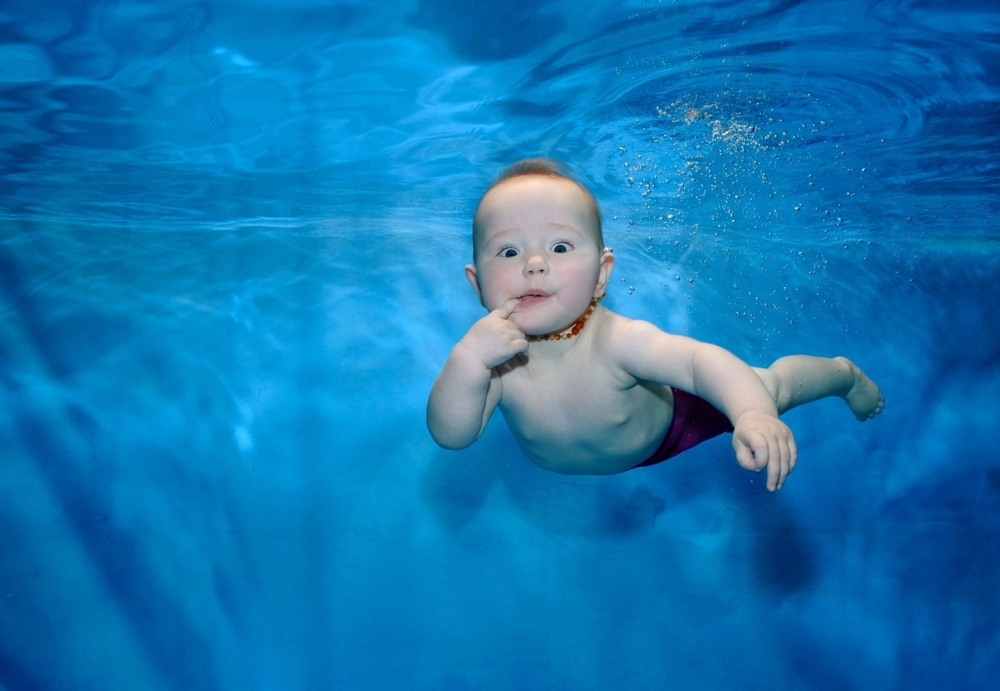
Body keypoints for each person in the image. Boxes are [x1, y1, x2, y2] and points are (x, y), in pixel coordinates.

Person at [426, 159, 884, 491]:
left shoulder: (619, 341)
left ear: (602, 274)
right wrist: (466, 360)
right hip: (606, 460)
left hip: (672, 427)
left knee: (770, 388)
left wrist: (752, 413)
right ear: (477, 282)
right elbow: (453, 435)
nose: (535, 264)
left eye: (561, 247)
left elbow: (700, 362)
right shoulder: (493, 361)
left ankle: (841, 375)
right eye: (508, 252)